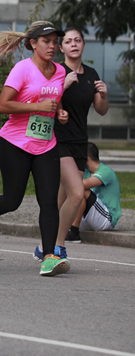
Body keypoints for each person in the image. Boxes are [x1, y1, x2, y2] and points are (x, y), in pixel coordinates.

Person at [0, 21, 71, 276]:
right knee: (12, 200)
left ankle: (48, 256)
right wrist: (38, 108)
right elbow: (3, 105)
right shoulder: (22, 69)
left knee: (49, 201)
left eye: (54, 41)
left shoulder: (60, 71)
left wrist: (59, 113)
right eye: (46, 41)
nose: (52, 46)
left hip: (46, 144)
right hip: (14, 143)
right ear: (33, 44)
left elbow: (54, 101)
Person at [54, 28, 109, 245]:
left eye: (78, 40)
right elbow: (44, 96)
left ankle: (49, 232)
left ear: (83, 45)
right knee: (76, 193)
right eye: (68, 41)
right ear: (62, 48)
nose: (74, 44)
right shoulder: (57, 71)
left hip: (80, 140)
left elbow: (101, 109)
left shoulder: (92, 74)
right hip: (58, 138)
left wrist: (103, 95)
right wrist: (62, 86)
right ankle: (56, 241)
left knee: (64, 192)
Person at [74, 142, 120, 233]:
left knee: (82, 191)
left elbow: (81, 184)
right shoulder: (86, 172)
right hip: (90, 216)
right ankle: (72, 229)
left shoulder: (106, 171)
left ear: (87, 158)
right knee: (74, 193)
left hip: (106, 219)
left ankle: (73, 231)